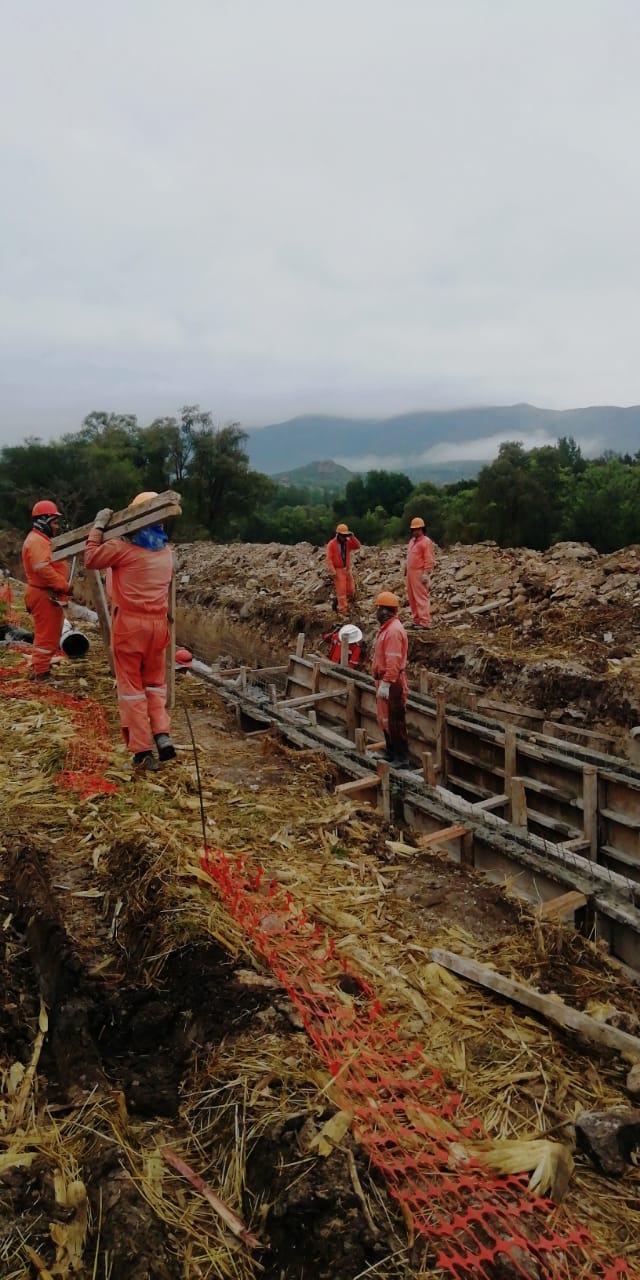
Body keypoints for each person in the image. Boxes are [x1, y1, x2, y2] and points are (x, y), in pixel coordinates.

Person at [84, 491, 176, 772]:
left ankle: (142, 752)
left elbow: (90, 558)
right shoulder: (166, 553)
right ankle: (162, 734)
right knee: (155, 685)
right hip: (158, 626)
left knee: (132, 690)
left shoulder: (121, 550)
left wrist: (98, 526)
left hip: (130, 627)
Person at [21, 499, 72, 681]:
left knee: (50, 635)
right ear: (43, 520)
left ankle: (40, 668)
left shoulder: (40, 540)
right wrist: (64, 586)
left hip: (47, 594)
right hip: (44, 595)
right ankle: (41, 673)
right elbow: (43, 569)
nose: (57, 527)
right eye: (54, 522)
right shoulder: (36, 541)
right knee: (46, 637)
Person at [371, 590, 410, 767]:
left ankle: (401, 758)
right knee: (385, 719)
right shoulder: (387, 629)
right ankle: (391, 752)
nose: (378, 613)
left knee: (395, 719)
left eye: (380, 609)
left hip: (392, 682)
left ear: (387, 611)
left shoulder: (393, 631)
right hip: (384, 680)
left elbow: (393, 662)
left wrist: (386, 683)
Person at [326, 523, 361, 616]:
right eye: (343, 535)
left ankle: (340, 603)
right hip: (338, 570)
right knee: (341, 592)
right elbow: (329, 558)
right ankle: (343, 611)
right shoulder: (331, 544)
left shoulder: (348, 542)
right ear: (338, 535)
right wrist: (332, 570)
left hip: (347, 569)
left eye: (345, 535)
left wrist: (352, 537)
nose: (344, 537)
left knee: (350, 590)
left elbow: (357, 546)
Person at [406, 516, 434, 629]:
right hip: (410, 573)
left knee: (421, 597)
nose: (416, 531)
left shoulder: (426, 542)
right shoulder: (412, 542)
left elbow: (429, 558)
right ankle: (416, 620)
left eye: (418, 529)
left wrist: (426, 573)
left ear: (422, 529)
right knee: (412, 598)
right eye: (414, 529)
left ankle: (425, 622)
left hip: (419, 573)